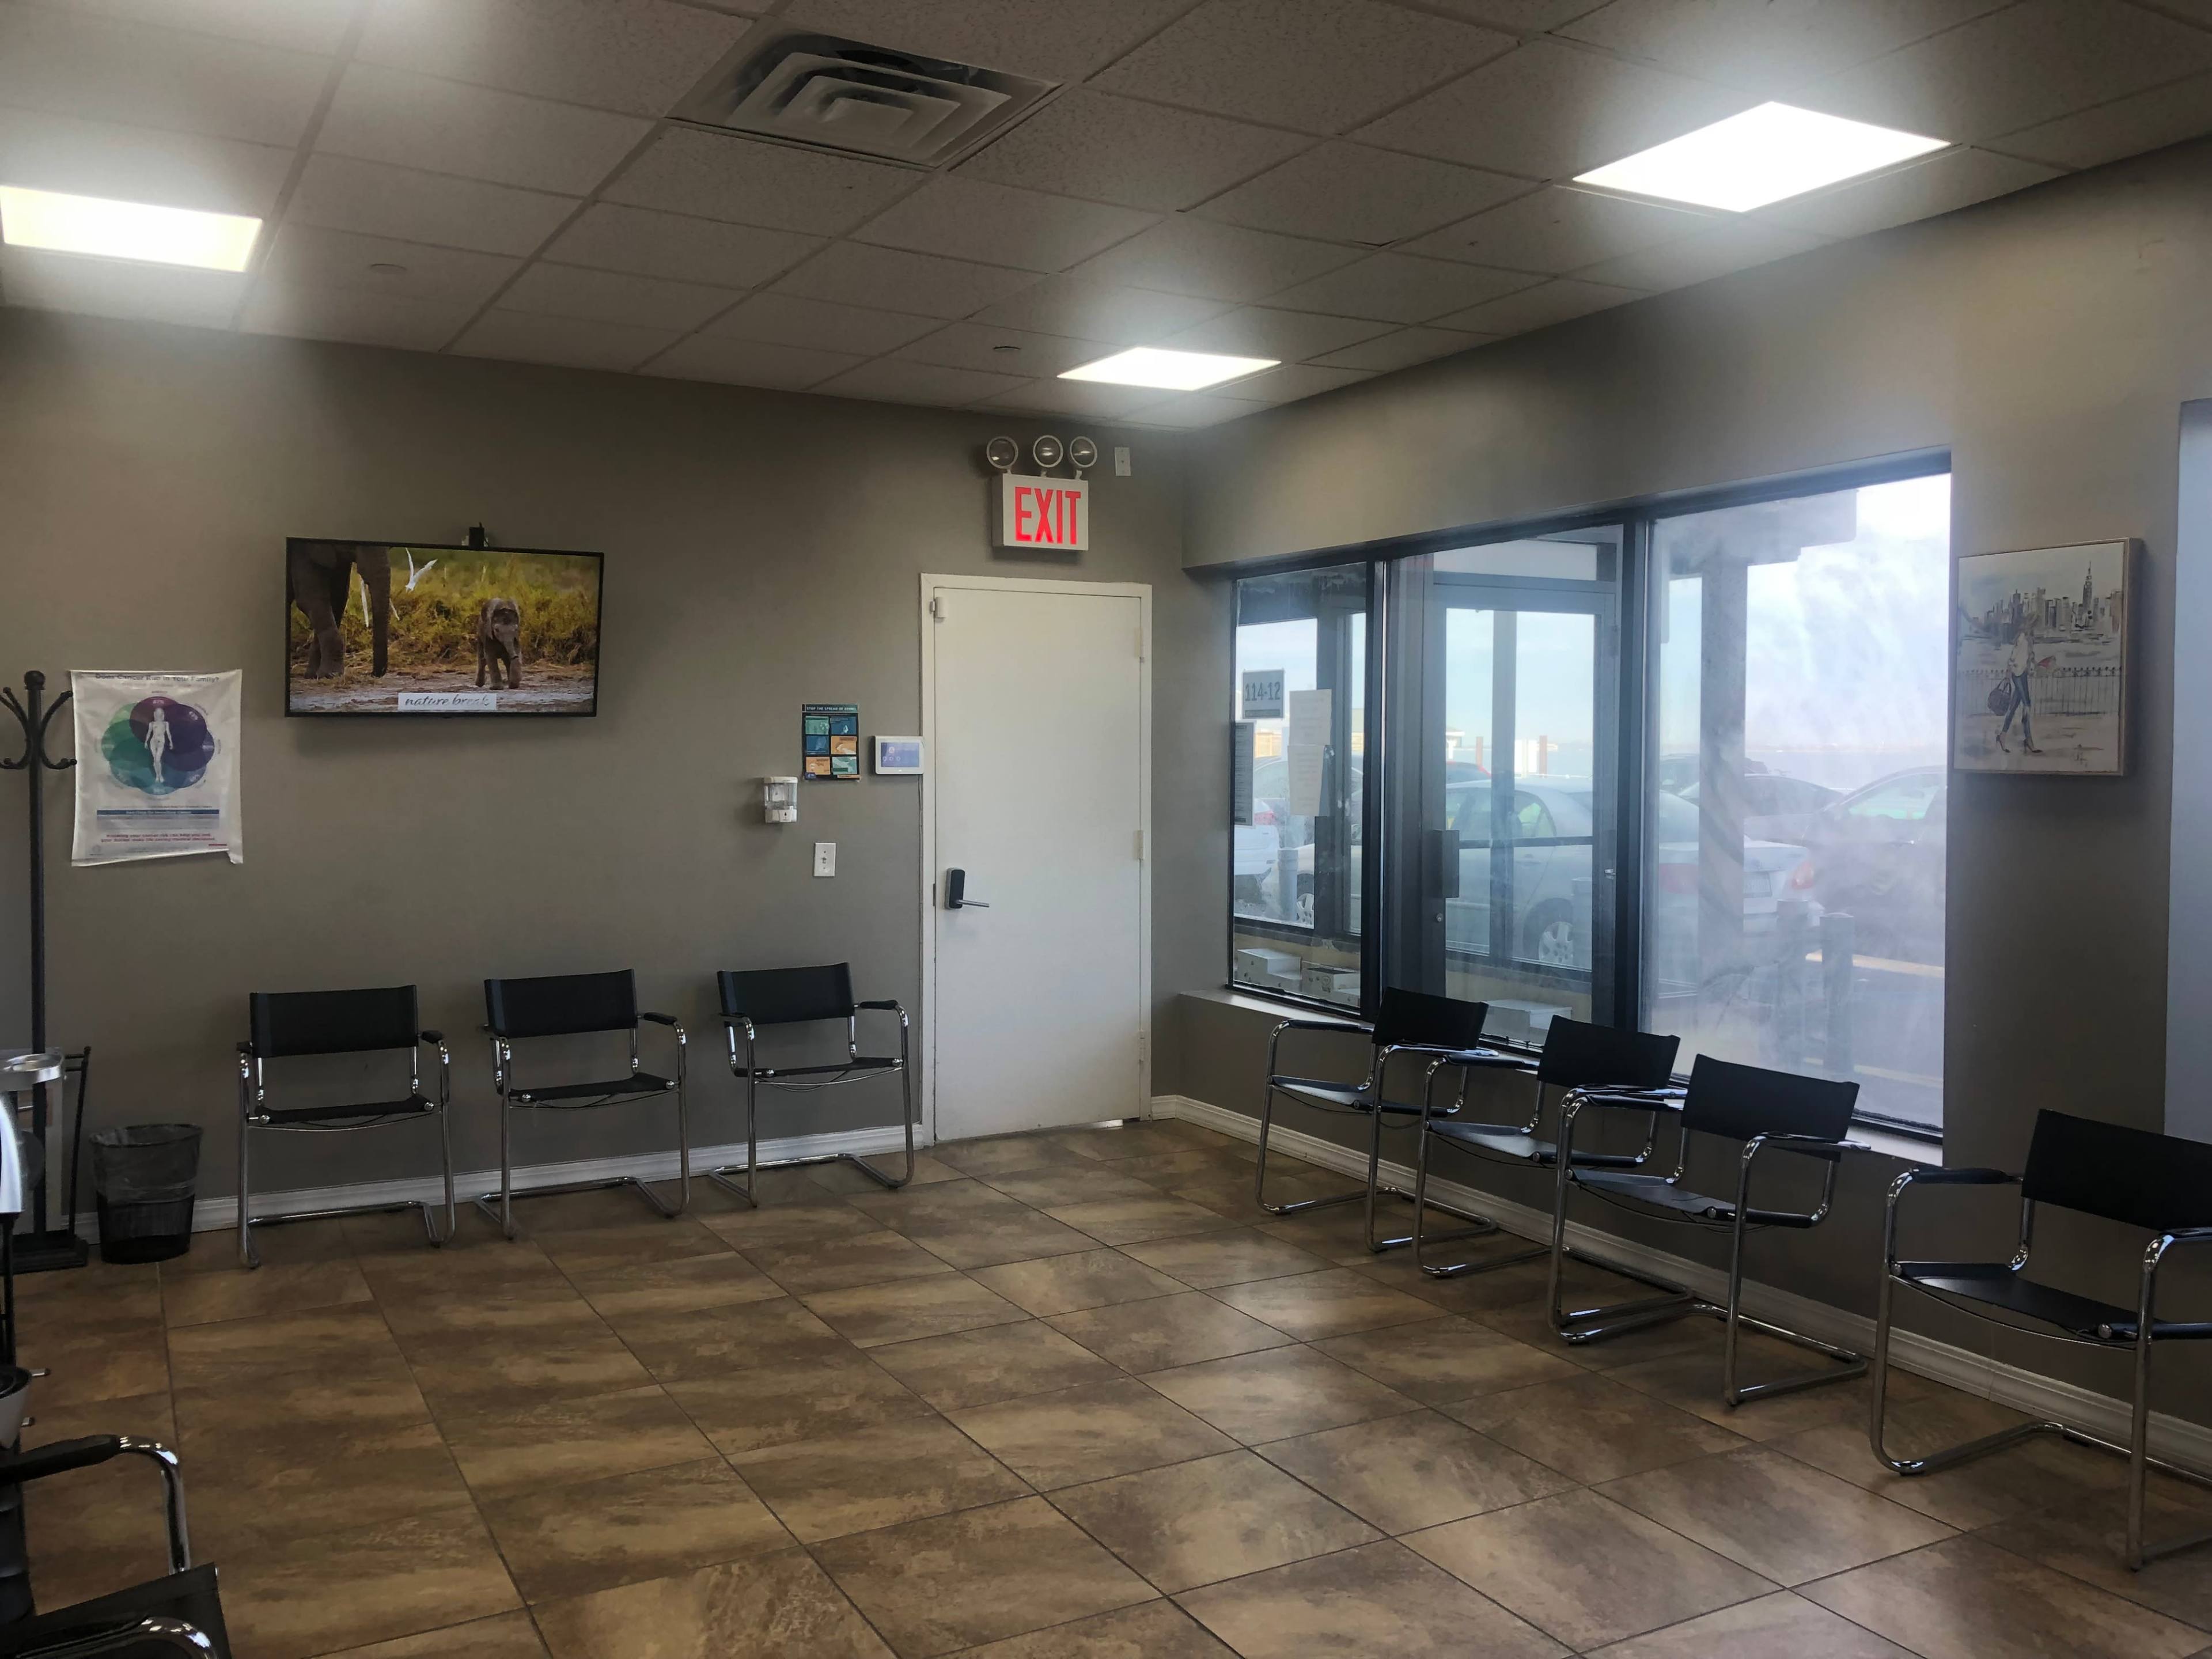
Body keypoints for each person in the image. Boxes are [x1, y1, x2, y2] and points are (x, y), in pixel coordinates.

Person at [1996, 618, 2041, 755]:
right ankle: (2028, 739)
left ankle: (2002, 736)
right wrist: (2008, 671)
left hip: (2023, 673)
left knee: (2013, 707)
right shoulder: (2022, 638)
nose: (2036, 628)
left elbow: (2029, 658)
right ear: (2031, 625)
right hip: (2017, 674)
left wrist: (2036, 663)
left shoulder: (2029, 640)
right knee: (2027, 705)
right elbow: (2013, 655)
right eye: (2035, 625)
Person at [144, 701, 171, 785]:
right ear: (155, 714)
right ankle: (157, 776)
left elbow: (168, 733)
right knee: (155, 760)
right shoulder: (152, 724)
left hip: (161, 742)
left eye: (160, 713)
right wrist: (146, 742)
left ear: (162, 714)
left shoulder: (165, 724)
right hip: (153, 741)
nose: (159, 714)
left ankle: (160, 776)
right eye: (157, 713)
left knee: (158, 760)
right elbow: (149, 733)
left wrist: (171, 742)